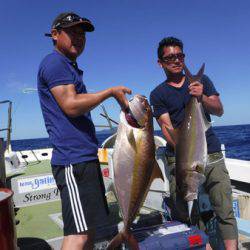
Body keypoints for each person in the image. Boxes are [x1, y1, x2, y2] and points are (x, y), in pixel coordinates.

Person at [37, 12, 131, 249]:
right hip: (73, 161)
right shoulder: (54, 62)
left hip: (84, 159)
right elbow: (70, 105)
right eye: (72, 32)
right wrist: (109, 92)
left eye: (82, 34)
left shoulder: (68, 66)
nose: (79, 38)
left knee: (88, 231)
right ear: (55, 35)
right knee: (77, 236)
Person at [150, 37, 238, 249]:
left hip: (212, 154)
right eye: (170, 57)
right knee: (187, 213)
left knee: (224, 209)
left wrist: (202, 97)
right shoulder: (158, 94)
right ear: (160, 62)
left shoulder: (202, 81)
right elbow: (166, 128)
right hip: (180, 160)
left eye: (180, 55)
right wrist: (187, 150)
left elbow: (219, 109)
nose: (176, 60)